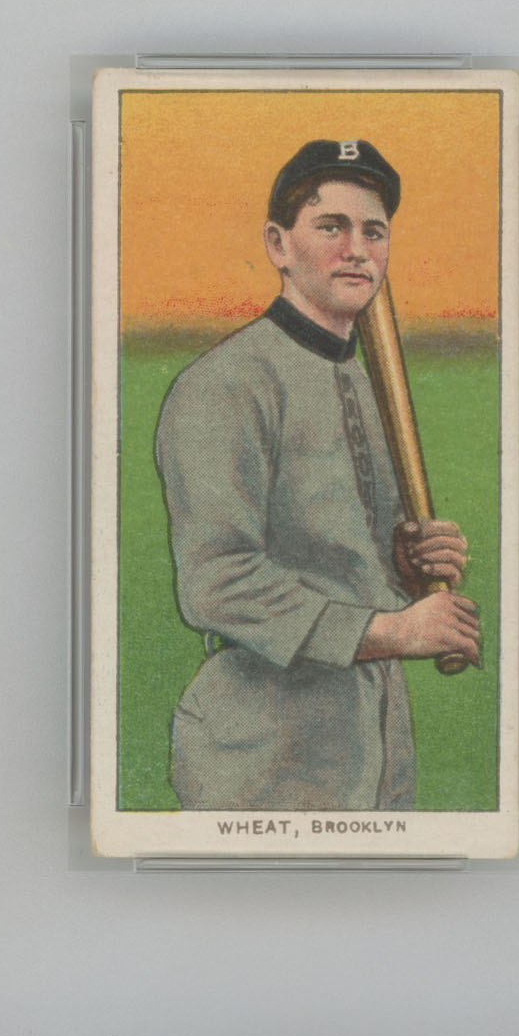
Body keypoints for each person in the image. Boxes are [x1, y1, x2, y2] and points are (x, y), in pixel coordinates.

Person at [154, 139, 480, 811]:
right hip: (261, 746)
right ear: (278, 244)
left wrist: (403, 569)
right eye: (331, 227)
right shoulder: (224, 385)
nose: (356, 250)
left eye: (373, 231)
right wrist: (396, 631)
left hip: (376, 737)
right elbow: (217, 581)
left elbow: (337, 557)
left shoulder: (371, 381)